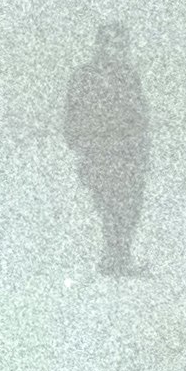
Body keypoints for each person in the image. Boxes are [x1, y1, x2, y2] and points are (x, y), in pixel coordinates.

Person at [62, 21, 150, 276]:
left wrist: (141, 148)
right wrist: (82, 142)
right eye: (111, 44)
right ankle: (113, 259)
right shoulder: (85, 76)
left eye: (121, 45)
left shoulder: (128, 76)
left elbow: (139, 114)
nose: (116, 50)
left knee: (129, 208)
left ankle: (120, 258)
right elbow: (73, 114)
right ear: (100, 45)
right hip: (99, 154)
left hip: (128, 154)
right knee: (109, 206)